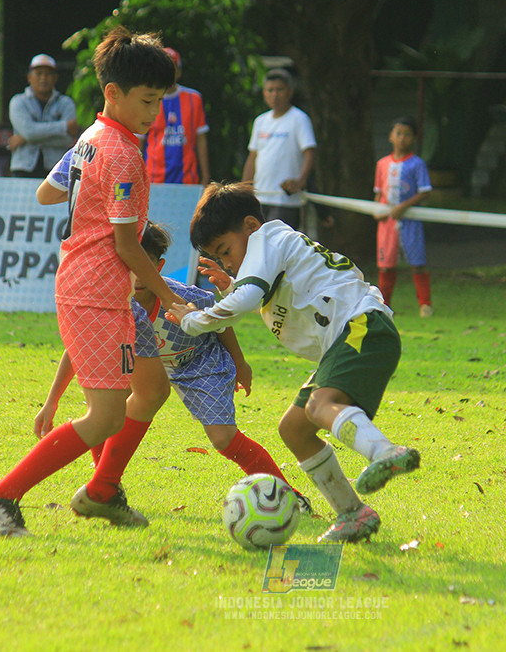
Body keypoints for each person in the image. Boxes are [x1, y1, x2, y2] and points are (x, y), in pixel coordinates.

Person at [0, 27, 181, 537]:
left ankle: (103, 491)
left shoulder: (91, 137)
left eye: (160, 103)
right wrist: (172, 297)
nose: (155, 114)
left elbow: (47, 192)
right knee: (105, 416)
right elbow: (129, 246)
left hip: (97, 289)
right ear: (113, 93)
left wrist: (86, 193)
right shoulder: (125, 152)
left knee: (140, 394)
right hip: (96, 290)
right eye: (148, 101)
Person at [169, 182, 421, 544]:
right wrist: (231, 285)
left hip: (361, 325)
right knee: (294, 429)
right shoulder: (269, 250)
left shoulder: (266, 240)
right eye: (219, 258)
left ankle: (385, 452)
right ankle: (353, 513)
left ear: (251, 226)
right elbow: (261, 293)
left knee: (320, 406)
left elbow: (248, 298)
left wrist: (196, 320)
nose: (227, 262)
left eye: (226, 250)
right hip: (349, 335)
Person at [31, 219, 311, 514]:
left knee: (223, 439)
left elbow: (220, 324)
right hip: (152, 367)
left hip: (201, 363)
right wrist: (52, 401)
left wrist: (240, 364)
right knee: (106, 414)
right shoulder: (115, 303)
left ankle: (288, 494)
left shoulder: (185, 297)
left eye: (145, 266)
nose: (137, 276)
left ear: (159, 266)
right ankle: (106, 484)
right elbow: (79, 348)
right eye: (130, 265)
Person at [373, 115, 433, 317]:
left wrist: (403, 207)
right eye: (398, 133)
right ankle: (384, 305)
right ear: (391, 136)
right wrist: (377, 209)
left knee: (417, 263)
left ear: (414, 138)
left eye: (407, 135)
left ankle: (425, 305)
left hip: (410, 222)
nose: (402, 138)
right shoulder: (382, 164)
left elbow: (425, 191)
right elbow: (379, 192)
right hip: (387, 224)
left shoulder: (417, 164)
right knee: (386, 265)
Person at [241, 69, 316, 230]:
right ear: (264, 93)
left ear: (290, 92)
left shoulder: (299, 119)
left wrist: (301, 180)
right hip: (260, 198)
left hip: (285, 200)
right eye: (270, 90)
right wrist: (244, 189)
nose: (275, 95)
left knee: (278, 248)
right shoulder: (260, 121)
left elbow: (309, 153)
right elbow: (252, 157)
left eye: (279, 90)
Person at [141, 48, 210, 185]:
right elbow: (139, 141)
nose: (167, 74)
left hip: (187, 179)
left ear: (179, 72)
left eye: (172, 69)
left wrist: (206, 174)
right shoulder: (146, 99)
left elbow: (201, 139)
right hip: (154, 180)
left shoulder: (194, 99)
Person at [7, 54, 80, 179]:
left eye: (48, 74)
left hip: (56, 170)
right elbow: (29, 132)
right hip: (23, 170)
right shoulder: (18, 101)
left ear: (55, 78)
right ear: (29, 77)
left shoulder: (66, 103)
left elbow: (67, 140)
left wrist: (25, 139)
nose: (43, 78)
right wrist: (64, 127)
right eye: (39, 73)